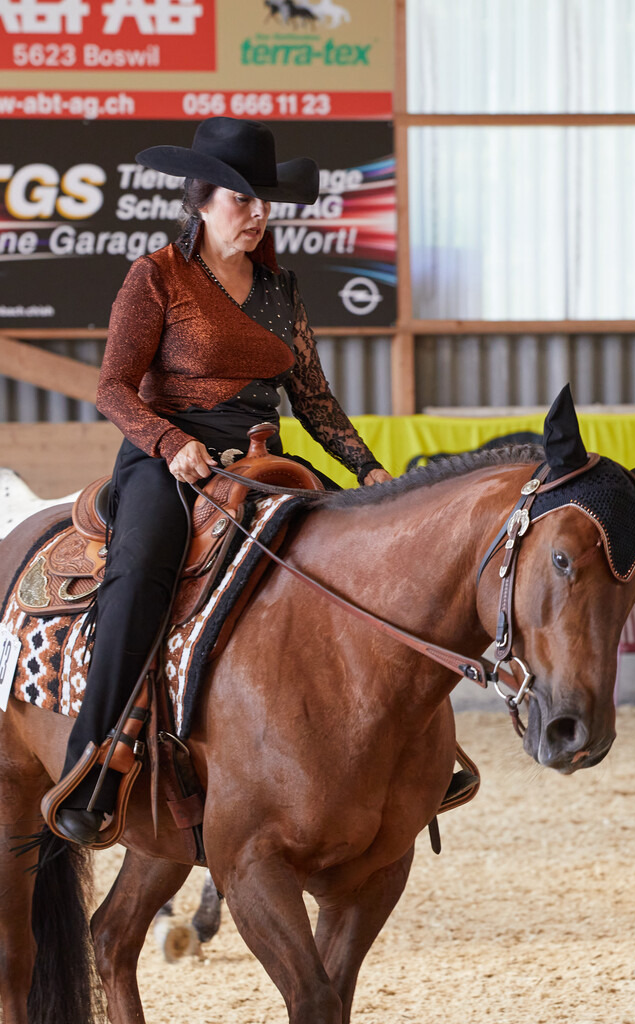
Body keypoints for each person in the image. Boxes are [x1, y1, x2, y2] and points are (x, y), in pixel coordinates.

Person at [46, 117, 391, 846]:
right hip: (166, 456)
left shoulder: (280, 289)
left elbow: (316, 399)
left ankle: (401, 750)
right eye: (240, 197)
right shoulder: (156, 276)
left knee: (361, 553)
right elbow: (111, 388)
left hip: (261, 454)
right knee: (141, 573)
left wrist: (369, 471)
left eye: (262, 198)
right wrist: (169, 443)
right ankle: (95, 758)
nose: (255, 211)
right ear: (201, 200)